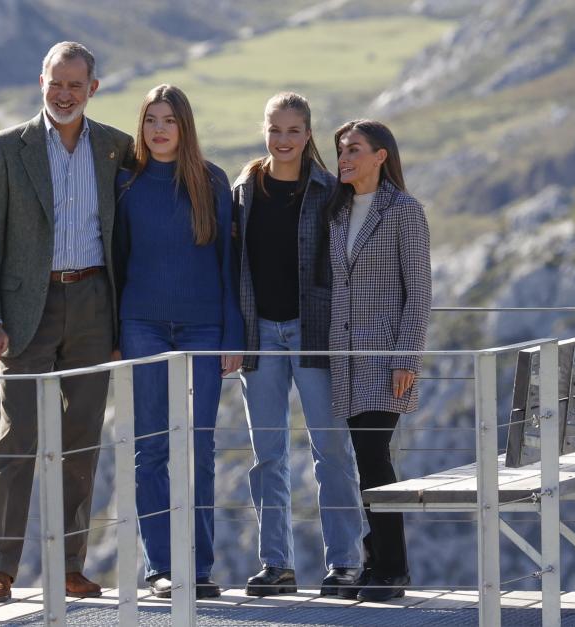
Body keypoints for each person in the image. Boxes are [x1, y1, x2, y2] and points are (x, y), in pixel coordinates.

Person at [0, 41, 134, 603]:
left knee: (81, 440)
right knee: (15, 439)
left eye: (75, 85)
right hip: (23, 314)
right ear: (40, 81)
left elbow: (131, 235)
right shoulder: (7, 147)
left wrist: (123, 322)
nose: (64, 94)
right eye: (55, 83)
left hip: (93, 305)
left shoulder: (117, 148)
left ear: (93, 89)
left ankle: (69, 565)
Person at [114, 84, 243, 600]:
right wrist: (115, 335)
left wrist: (233, 334)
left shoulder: (211, 182)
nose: (159, 129)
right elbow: (117, 263)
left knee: (201, 448)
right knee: (151, 449)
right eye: (151, 120)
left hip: (205, 329)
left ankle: (200, 567)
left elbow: (229, 266)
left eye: (169, 119)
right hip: (142, 325)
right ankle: (161, 569)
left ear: (185, 126)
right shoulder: (126, 183)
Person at [233, 93, 364, 597]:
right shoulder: (245, 190)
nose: (282, 140)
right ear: (263, 130)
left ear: (308, 134)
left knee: (331, 451)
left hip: (316, 335)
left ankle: (347, 565)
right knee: (267, 455)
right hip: (259, 335)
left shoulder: (331, 191)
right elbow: (233, 266)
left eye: (293, 131)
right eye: (274, 129)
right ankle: (277, 566)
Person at [326, 119, 432, 602]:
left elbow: (420, 291)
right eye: (341, 151)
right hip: (343, 357)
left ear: (381, 156)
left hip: (386, 356)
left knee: (373, 457)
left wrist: (405, 356)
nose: (344, 159)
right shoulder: (338, 211)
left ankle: (392, 569)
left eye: (353, 150)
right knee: (362, 460)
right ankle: (377, 565)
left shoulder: (404, 210)